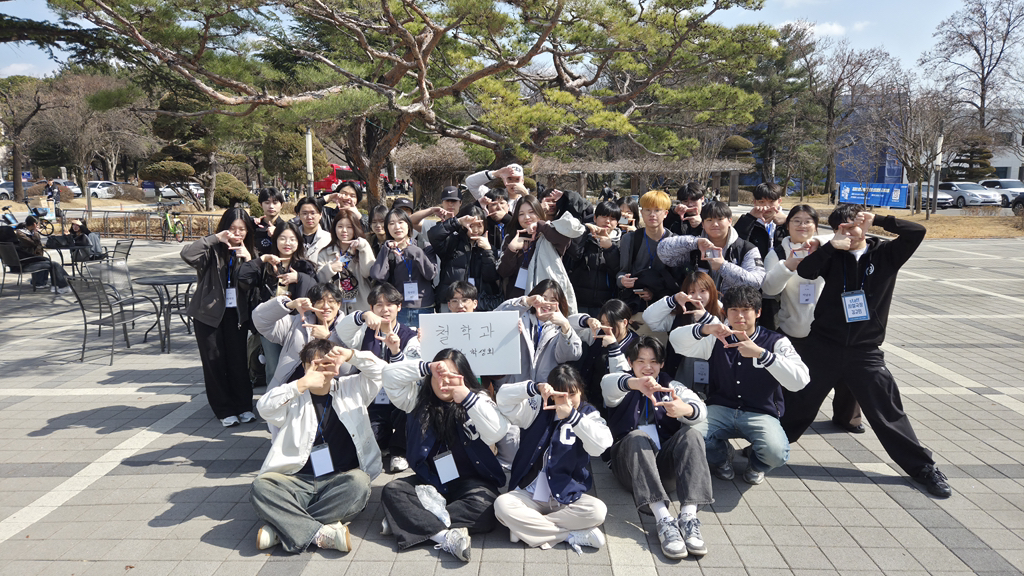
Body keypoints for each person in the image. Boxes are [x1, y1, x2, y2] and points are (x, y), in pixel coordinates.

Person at [779, 205, 952, 498]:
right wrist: (829, 247)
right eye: (842, 228)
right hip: (823, 345)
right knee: (799, 403)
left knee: (887, 411)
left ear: (865, 224)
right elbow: (806, 271)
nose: (850, 232)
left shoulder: (886, 254)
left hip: (865, 350)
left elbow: (917, 231)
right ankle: (766, 448)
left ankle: (923, 468)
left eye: (854, 225)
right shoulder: (833, 255)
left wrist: (881, 220)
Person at [250, 339, 386, 554]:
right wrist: (301, 384)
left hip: (339, 480)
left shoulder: (352, 388)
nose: (320, 369)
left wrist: (351, 355)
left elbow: (382, 372)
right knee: (261, 487)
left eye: (326, 363)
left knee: (360, 483)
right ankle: (321, 532)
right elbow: (264, 408)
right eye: (313, 365)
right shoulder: (293, 394)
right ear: (304, 367)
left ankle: (282, 527)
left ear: (337, 365)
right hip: (297, 480)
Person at [380, 352, 511, 562]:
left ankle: (408, 520)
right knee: (392, 490)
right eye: (439, 375)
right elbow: (388, 375)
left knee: (486, 508)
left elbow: (497, 431)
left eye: (452, 375)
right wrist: (427, 367)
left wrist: (466, 397)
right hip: (431, 480)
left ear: (464, 377)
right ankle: (445, 537)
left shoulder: (478, 399)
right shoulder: (416, 399)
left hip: (470, 481)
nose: (444, 382)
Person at [672, 285, 809, 485]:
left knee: (777, 452)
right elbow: (676, 341)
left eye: (746, 310)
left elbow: (801, 380)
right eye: (734, 310)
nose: (740, 316)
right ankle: (722, 457)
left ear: (758, 312)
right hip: (720, 408)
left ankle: (756, 465)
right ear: (725, 313)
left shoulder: (775, 341)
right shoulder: (717, 337)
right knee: (690, 436)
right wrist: (704, 328)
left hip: (761, 412)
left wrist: (763, 355)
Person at [600, 336, 711, 560]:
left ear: (661, 364)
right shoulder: (622, 383)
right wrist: (636, 383)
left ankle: (688, 518)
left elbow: (699, 408)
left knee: (691, 434)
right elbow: (609, 384)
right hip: (629, 468)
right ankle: (663, 520)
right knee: (636, 436)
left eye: (653, 361)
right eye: (640, 361)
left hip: (663, 467)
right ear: (630, 362)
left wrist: (686, 410)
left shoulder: (671, 386)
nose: (647, 367)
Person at [761, 205, 863, 434]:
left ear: (816, 226)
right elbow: (768, 289)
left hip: (830, 327)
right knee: (794, 377)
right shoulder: (777, 253)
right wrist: (788, 265)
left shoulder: (827, 246)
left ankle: (848, 418)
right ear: (787, 225)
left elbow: (843, 238)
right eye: (796, 220)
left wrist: (821, 243)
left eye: (808, 221)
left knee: (847, 373)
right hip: (794, 326)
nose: (802, 225)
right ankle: (785, 417)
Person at [494, 364, 612, 554]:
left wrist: (573, 417)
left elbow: (601, 445)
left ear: (580, 390)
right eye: (560, 395)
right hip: (530, 493)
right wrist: (534, 387)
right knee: (502, 506)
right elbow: (503, 400)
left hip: (566, 496)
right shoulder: (537, 408)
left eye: (572, 394)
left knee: (598, 511)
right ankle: (569, 535)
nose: (567, 400)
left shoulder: (588, 414)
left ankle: (526, 529)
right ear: (551, 394)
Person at [180, 207, 257, 427]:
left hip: (237, 315)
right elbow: (186, 254)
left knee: (238, 361)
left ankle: (243, 406)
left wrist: (249, 261)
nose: (237, 233)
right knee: (214, 362)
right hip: (209, 314)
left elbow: (255, 285)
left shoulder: (250, 252)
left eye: (242, 229)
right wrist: (214, 238)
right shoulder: (212, 249)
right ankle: (224, 410)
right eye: (232, 228)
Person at [337, 282, 421, 473]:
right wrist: (361, 316)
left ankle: (400, 452)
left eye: (390, 304)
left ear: (399, 307)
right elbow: (342, 331)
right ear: (372, 308)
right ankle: (383, 443)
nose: (385, 310)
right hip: (373, 398)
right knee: (372, 438)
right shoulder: (363, 332)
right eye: (379, 305)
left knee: (411, 409)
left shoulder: (410, 335)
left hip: (399, 398)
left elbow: (411, 370)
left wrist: (396, 351)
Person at [239, 221, 318, 383]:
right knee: (273, 367)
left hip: (296, 325)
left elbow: (315, 291)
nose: (287, 243)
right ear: (275, 241)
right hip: (271, 324)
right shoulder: (266, 266)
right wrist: (262, 259)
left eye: (292, 239)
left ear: (298, 242)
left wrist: (299, 278)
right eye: (282, 238)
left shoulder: (304, 266)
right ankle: (273, 397)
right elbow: (242, 276)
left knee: (296, 365)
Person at [252, 283, 346, 402]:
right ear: (312, 305)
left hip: (332, 397)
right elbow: (260, 319)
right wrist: (289, 304)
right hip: (292, 394)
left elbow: (349, 370)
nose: (326, 306)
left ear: (339, 304)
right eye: (320, 301)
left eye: (331, 301)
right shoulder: (296, 324)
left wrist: (329, 338)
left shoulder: (348, 328)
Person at [496, 195, 584, 313]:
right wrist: (512, 249)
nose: (526, 217)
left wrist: (540, 226)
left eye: (531, 212)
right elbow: (503, 272)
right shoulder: (511, 237)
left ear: (539, 212)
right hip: (519, 302)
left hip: (546, 302)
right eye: (521, 214)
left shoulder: (549, 234)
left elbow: (564, 241)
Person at [642, 271, 724, 397]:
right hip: (681, 374)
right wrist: (673, 299)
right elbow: (649, 319)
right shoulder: (680, 314)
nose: (698, 297)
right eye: (692, 292)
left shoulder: (723, 312)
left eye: (703, 291)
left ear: (712, 291)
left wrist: (707, 319)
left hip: (715, 374)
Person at [657, 201, 765, 294]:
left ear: (730, 221)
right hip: (698, 307)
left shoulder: (746, 249)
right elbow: (662, 252)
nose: (715, 224)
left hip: (732, 309)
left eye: (720, 219)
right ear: (703, 224)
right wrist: (695, 242)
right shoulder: (694, 247)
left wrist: (723, 266)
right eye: (709, 220)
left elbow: (756, 283)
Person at [494, 280, 583, 386]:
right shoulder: (520, 316)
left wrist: (565, 328)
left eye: (553, 300)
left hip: (545, 388)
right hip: (514, 386)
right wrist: (526, 301)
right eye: (543, 298)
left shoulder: (562, 326)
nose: (547, 304)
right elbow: (496, 318)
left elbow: (571, 355)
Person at [616, 190, 681, 317]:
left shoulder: (675, 241)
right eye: (647, 210)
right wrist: (622, 281)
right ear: (641, 213)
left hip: (665, 307)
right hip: (635, 305)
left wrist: (654, 292)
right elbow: (622, 272)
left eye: (657, 210)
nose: (652, 214)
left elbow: (677, 279)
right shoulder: (630, 239)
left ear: (666, 214)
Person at [427, 204, 503, 311]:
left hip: (479, 303)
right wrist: (457, 221)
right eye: (471, 225)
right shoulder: (451, 242)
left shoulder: (489, 248)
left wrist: (487, 251)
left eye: (479, 225)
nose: (475, 230)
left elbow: (490, 277)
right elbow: (433, 235)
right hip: (452, 301)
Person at [370, 207, 436, 328]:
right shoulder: (387, 250)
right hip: (399, 309)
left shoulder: (424, 246)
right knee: (398, 339)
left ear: (409, 225)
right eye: (391, 223)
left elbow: (430, 274)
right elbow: (378, 275)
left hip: (424, 306)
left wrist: (416, 252)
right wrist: (385, 249)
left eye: (401, 222)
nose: (397, 227)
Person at [734, 183, 787, 330]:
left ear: (779, 201)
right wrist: (750, 218)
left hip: (781, 283)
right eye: (761, 202)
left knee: (775, 326)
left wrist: (787, 222)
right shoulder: (748, 221)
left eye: (771, 202)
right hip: (753, 282)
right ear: (754, 202)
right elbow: (736, 243)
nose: (766, 207)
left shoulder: (788, 222)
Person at [571, 299, 637, 414]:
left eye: (611, 324)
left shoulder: (636, 345)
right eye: (603, 322)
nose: (606, 328)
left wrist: (613, 347)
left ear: (624, 322)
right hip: (589, 398)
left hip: (615, 407)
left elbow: (623, 376)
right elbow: (569, 325)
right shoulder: (598, 333)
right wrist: (587, 320)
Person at [564, 200, 622, 318]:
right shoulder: (584, 237)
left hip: (606, 306)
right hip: (578, 302)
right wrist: (584, 231)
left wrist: (610, 249)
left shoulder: (621, 242)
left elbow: (618, 270)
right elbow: (574, 255)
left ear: (617, 223)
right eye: (604, 216)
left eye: (612, 218)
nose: (607, 221)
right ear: (595, 218)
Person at [316, 208, 375, 315]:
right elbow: (319, 280)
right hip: (335, 309)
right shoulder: (325, 253)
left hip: (362, 307)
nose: (344, 230)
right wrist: (330, 268)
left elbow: (368, 272)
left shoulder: (362, 249)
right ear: (334, 229)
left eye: (349, 227)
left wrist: (363, 247)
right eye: (340, 226)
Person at [13, 216, 71, 294]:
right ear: (34, 224)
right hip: (27, 261)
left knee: (48, 261)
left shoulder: (28, 232)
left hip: (31, 258)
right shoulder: (21, 233)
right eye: (39, 224)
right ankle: (61, 283)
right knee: (51, 263)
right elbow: (33, 243)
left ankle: (53, 283)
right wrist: (35, 233)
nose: (39, 226)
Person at [294, 197, 332, 262]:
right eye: (305, 213)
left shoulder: (329, 239)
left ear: (320, 215)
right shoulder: (293, 236)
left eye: (313, 213)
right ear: (299, 215)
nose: (309, 217)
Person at [254, 187, 287, 256]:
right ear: (261, 205)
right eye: (267, 203)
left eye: (275, 203)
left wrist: (278, 234)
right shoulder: (254, 226)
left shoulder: (286, 227)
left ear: (282, 205)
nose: (271, 206)